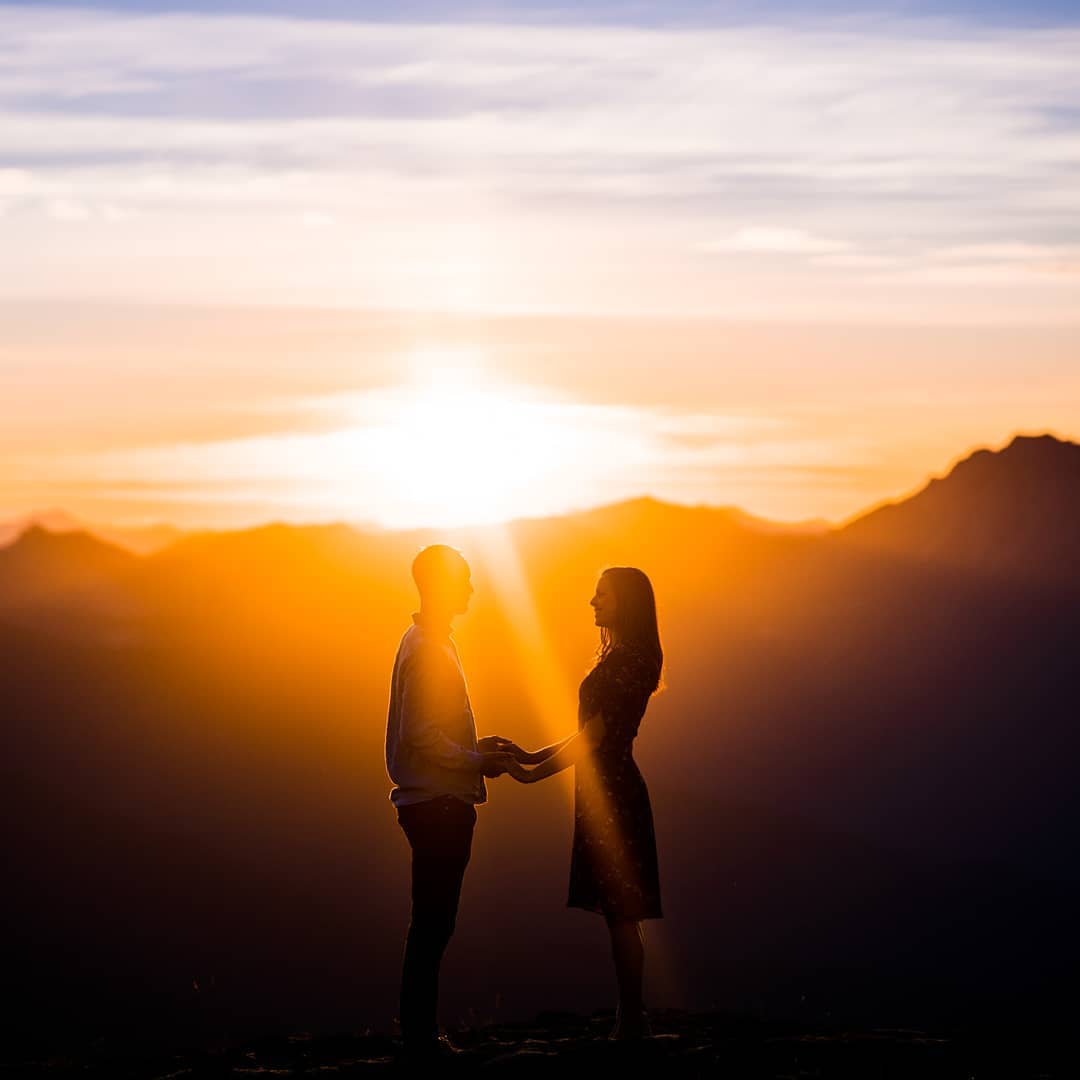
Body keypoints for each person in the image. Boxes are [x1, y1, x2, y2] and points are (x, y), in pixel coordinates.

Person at [508, 566, 664, 1040]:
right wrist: (534, 755)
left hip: (613, 792)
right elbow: (588, 733)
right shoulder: (623, 656)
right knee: (620, 911)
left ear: (626, 603)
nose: (592, 602)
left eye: (602, 595)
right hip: (606, 789)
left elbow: (594, 738)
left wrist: (536, 773)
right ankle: (629, 1017)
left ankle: (632, 1021)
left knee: (620, 911)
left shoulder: (628, 661)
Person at [385, 544, 515, 1060]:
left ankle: (420, 1033)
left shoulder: (427, 642)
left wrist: (476, 750)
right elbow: (423, 735)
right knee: (433, 923)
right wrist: (475, 762)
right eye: (463, 579)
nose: (471, 589)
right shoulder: (428, 648)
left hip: (433, 799)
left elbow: (432, 731)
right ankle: (420, 1038)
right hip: (438, 804)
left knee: (432, 921)